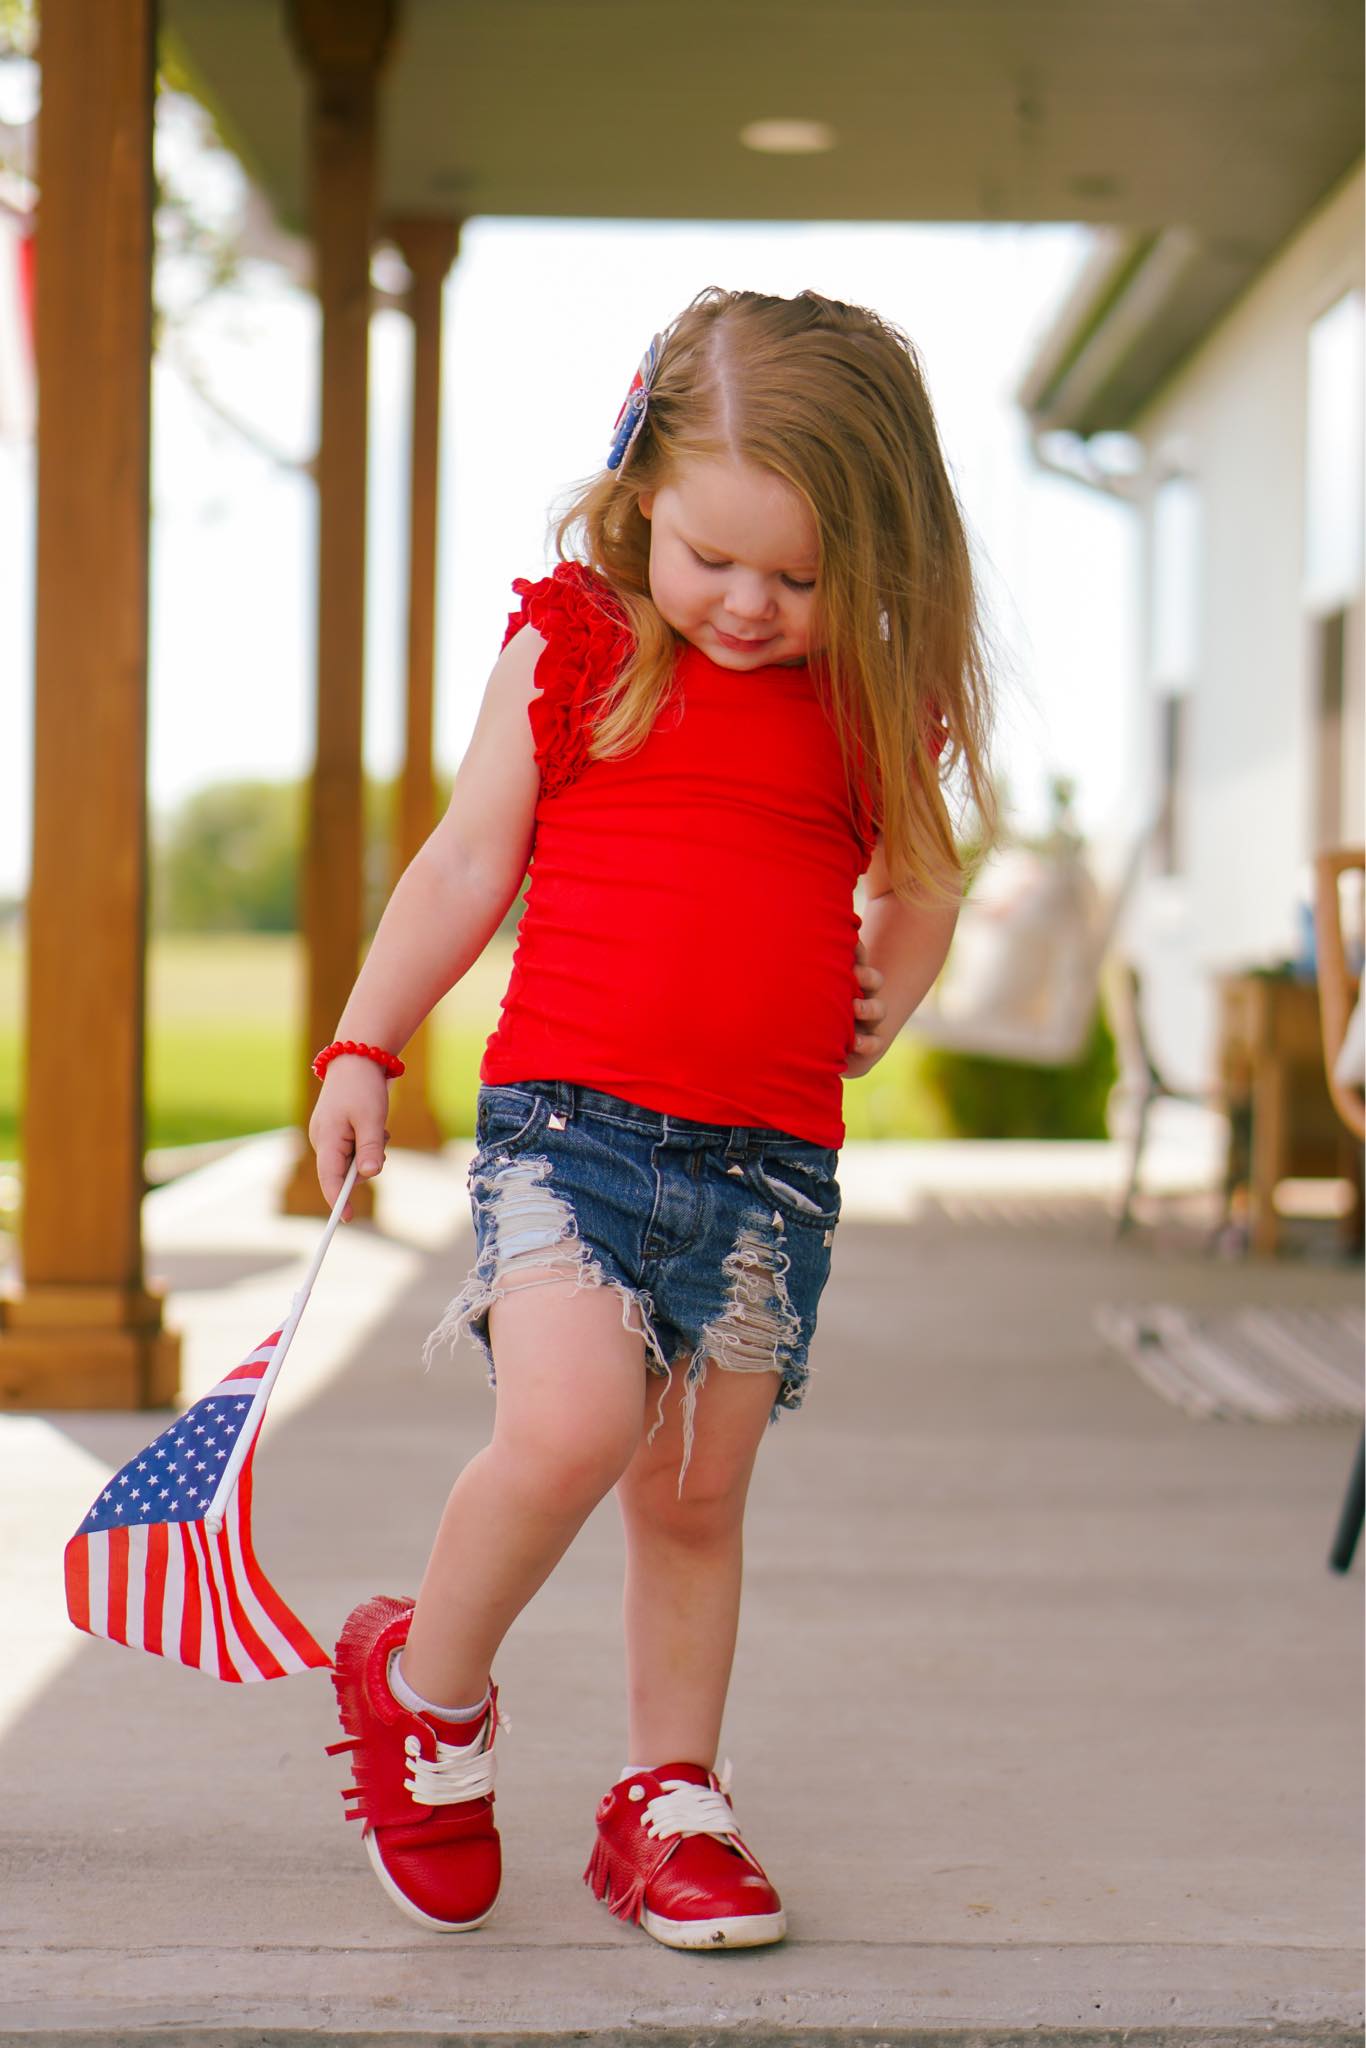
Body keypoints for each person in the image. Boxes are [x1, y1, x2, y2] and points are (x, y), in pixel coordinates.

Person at [310, 287, 996, 1950]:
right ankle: (427, 1689)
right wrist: (363, 1042)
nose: (751, 606)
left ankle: (667, 1798)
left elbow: (921, 877)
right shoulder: (578, 648)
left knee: (694, 1502)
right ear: (637, 497)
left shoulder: (865, 704)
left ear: (876, 556)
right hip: (571, 1136)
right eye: (714, 558)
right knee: (566, 1433)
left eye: (801, 576)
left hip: (768, 1175)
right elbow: (468, 861)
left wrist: (895, 975)